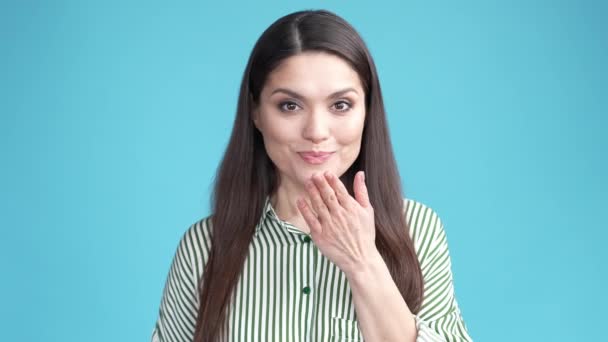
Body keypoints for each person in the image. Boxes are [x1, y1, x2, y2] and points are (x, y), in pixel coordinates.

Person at [151, 9, 473, 342]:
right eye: (290, 105)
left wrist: (362, 262)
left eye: (341, 105)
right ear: (256, 112)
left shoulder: (419, 231)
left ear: (367, 111)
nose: (317, 132)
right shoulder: (204, 247)